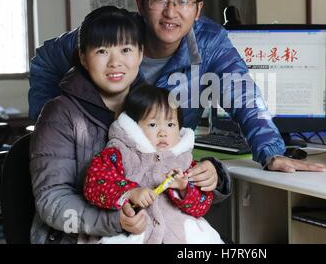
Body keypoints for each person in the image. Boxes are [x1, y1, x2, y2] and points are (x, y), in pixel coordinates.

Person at [28, 0, 326, 173]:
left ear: (198, 9)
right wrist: (44, 126)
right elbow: (44, 60)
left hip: (164, 169)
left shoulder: (210, 41)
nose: (171, 12)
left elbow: (243, 95)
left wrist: (271, 153)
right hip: (101, 167)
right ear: (140, 4)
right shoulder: (110, 35)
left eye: (184, 1)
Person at [29, 6, 230, 244]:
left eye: (126, 49)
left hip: (156, 232)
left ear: (140, 54)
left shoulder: (155, 105)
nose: (116, 62)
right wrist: (114, 220)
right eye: (102, 51)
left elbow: (175, 160)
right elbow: (52, 200)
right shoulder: (59, 114)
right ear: (83, 57)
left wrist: (212, 175)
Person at [83, 84, 223, 244]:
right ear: (134, 126)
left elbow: (201, 206)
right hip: (135, 231)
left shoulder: (184, 161)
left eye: (170, 125)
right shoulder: (119, 153)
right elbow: (94, 183)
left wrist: (184, 189)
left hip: (176, 233)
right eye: (152, 124)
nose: (163, 132)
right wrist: (130, 192)